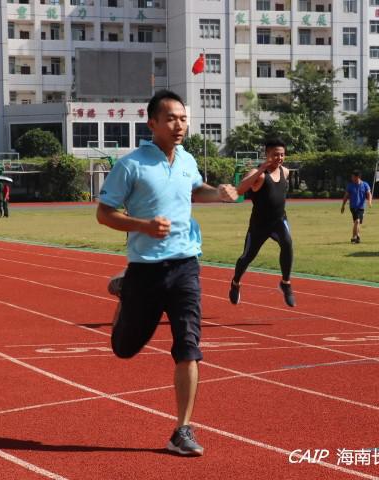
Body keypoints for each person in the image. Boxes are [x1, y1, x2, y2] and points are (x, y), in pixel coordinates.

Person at [96, 90, 238, 456]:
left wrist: (218, 193)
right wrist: (143, 226)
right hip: (145, 269)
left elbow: (196, 190)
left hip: (186, 265)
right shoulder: (131, 165)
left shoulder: (187, 159)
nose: (179, 125)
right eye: (172, 118)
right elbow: (104, 213)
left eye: (184, 119)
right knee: (125, 348)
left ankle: (182, 430)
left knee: (188, 347)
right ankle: (125, 291)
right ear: (153, 123)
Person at [228, 138, 295, 307]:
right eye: (275, 155)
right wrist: (261, 169)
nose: (279, 158)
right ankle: (235, 282)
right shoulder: (258, 173)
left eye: (282, 155)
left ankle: (286, 283)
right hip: (259, 224)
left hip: (279, 220)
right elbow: (240, 190)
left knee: (287, 243)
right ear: (267, 154)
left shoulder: (285, 172)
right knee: (247, 257)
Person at [341, 170, 372, 244]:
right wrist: (343, 205)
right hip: (353, 207)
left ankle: (358, 236)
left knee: (357, 222)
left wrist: (369, 202)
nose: (351, 178)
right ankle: (353, 237)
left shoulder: (365, 185)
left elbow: (369, 194)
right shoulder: (350, 185)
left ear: (357, 177)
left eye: (353, 177)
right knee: (357, 221)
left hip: (361, 207)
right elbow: (346, 196)